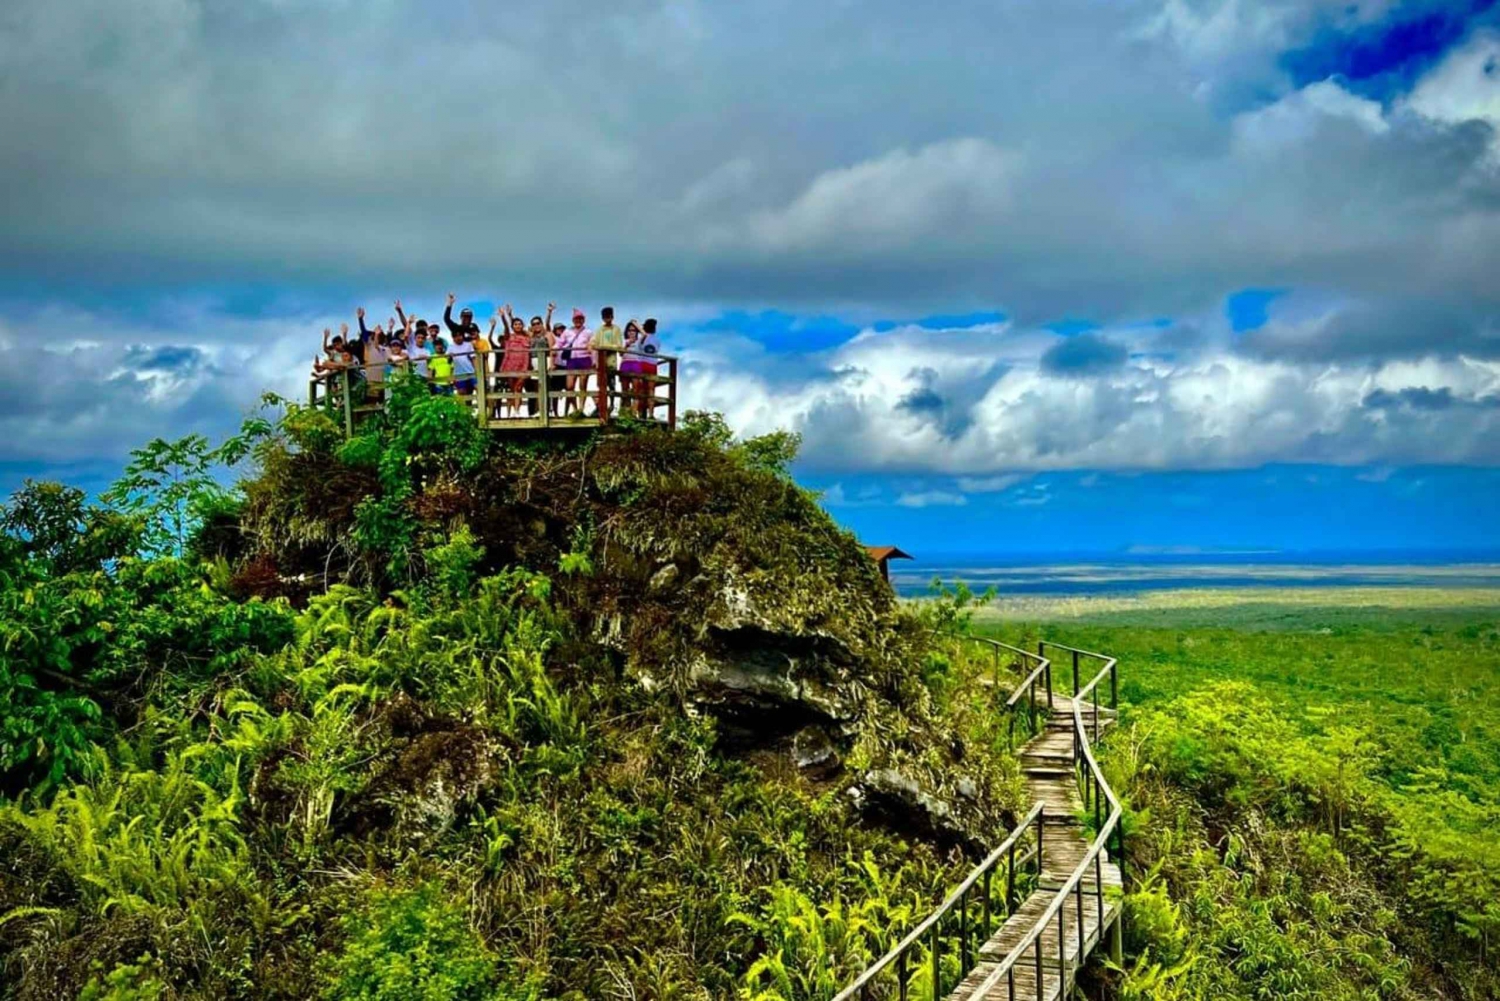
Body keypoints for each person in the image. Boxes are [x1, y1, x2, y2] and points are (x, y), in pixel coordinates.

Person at [496, 306, 532, 417]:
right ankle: (512, 411)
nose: (518, 326)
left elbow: (530, 333)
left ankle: (516, 411)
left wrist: (511, 315)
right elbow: (507, 327)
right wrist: (503, 316)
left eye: (519, 324)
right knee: (512, 389)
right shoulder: (509, 337)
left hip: (523, 365)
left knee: (519, 388)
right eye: (515, 324)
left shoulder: (527, 337)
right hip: (510, 365)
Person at [590, 307, 625, 415]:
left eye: (609, 316)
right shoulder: (599, 330)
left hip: (611, 361)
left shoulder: (617, 329)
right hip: (601, 361)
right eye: (605, 317)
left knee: (611, 384)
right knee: (600, 384)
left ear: (612, 317)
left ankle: (611, 405)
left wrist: (605, 347)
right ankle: (601, 407)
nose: (607, 319)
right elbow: (594, 344)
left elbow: (619, 345)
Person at [526, 303, 556, 417]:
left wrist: (549, 312)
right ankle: (538, 410)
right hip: (534, 361)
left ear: (541, 324)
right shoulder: (530, 336)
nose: (536, 325)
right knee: (537, 387)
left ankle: (549, 410)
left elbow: (552, 349)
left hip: (545, 359)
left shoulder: (547, 334)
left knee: (547, 386)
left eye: (538, 323)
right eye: (534, 324)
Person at [561, 309, 593, 416]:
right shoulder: (567, 331)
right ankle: (574, 408)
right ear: (573, 320)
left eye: (580, 319)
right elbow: (560, 343)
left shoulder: (588, 332)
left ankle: (581, 408)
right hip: (571, 360)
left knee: (582, 385)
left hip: (584, 359)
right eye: (576, 319)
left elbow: (592, 346)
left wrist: (594, 360)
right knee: (569, 386)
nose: (578, 321)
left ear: (583, 320)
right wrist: (553, 350)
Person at [449, 328, 477, 397]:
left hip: (470, 372)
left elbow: (473, 358)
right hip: (459, 374)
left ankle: (483, 407)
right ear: (453, 338)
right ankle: (462, 408)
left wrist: (476, 371)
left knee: (478, 387)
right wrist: (449, 356)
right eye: (455, 336)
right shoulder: (450, 347)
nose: (458, 338)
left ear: (463, 336)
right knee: (461, 393)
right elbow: (447, 361)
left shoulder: (468, 345)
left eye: (460, 335)